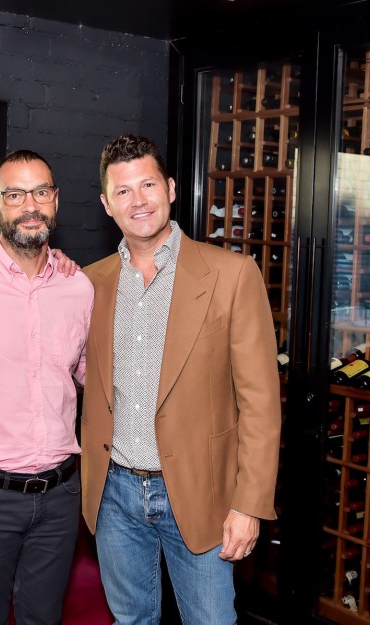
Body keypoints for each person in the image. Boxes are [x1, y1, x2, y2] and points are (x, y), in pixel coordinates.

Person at [81, 134, 281, 624]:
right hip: (115, 496)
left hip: (200, 494)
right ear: (107, 205)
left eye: (148, 184)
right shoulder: (88, 284)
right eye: (123, 191)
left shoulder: (232, 275)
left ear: (171, 188)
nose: (139, 200)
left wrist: (249, 504)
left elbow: (260, 402)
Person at [0, 150, 94, 625]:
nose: (29, 205)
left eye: (41, 192)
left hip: (59, 497)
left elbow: (91, 375)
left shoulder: (79, 288)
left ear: (56, 200)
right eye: (14, 194)